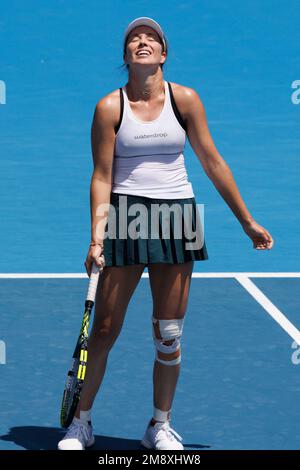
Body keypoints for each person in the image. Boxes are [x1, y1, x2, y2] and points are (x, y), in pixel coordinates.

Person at [58, 17, 274, 451]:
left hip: (177, 217)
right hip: (125, 215)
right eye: (134, 39)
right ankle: (81, 423)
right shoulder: (108, 108)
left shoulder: (187, 100)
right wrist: (96, 237)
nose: (143, 41)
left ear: (163, 53)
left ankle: (160, 424)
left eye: (151, 38)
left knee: (169, 332)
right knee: (102, 329)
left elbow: (212, 161)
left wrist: (246, 220)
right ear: (126, 56)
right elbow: (101, 176)